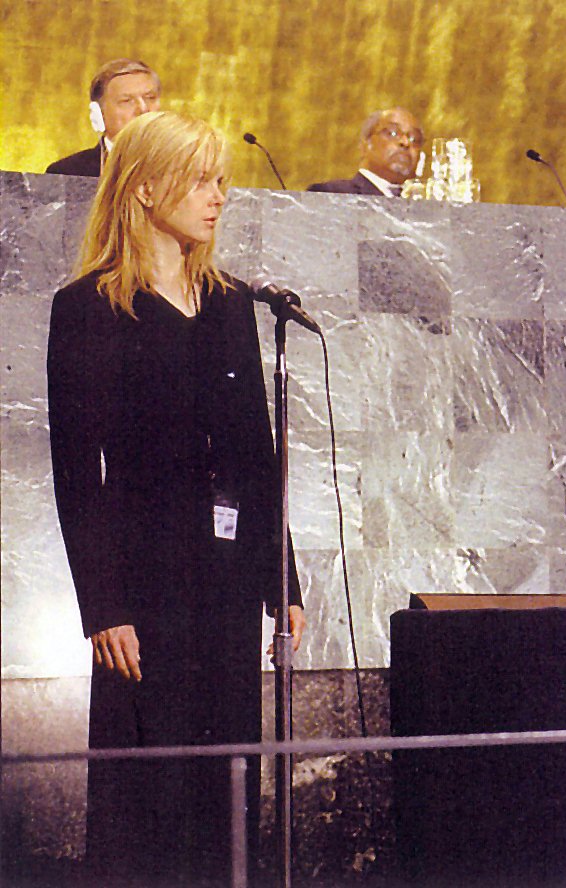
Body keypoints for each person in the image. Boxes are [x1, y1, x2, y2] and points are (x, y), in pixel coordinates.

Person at [47, 110, 304, 886]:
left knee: (226, 778)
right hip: (143, 587)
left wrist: (280, 581)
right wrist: (104, 606)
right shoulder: (88, 306)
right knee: (146, 789)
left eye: (221, 180)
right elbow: (73, 472)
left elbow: (257, 456)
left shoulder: (229, 303)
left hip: (225, 585)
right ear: (146, 185)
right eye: (200, 179)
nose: (217, 196)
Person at [46, 58, 161, 178]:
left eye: (150, 98)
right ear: (99, 114)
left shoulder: (179, 167)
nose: (143, 109)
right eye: (127, 101)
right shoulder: (67, 172)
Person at [307, 107, 423, 196]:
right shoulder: (331, 194)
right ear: (365, 145)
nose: (405, 142)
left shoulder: (425, 207)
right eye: (392, 133)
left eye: (414, 138)